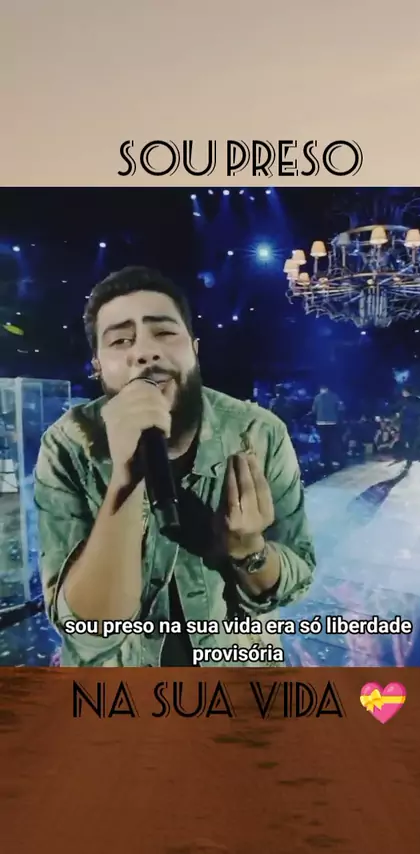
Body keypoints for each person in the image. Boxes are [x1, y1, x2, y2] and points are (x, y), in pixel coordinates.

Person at [33, 266, 316, 667]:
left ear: (194, 348)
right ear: (97, 365)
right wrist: (125, 481)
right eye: (120, 340)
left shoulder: (258, 433)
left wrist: (249, 550)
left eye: (164, 332)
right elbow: (87, 631)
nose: (144, 352)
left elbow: (294, 582)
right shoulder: (68, 445)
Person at [310, 384, 343, 472]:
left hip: (321, 423)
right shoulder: (335, 396)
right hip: (332, 422)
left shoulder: (317, 397)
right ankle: (334, 460)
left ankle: (323, 461)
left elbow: (314, 410)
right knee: (333, 442)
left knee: (323, 443)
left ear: (321, 389)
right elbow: (340, 408)